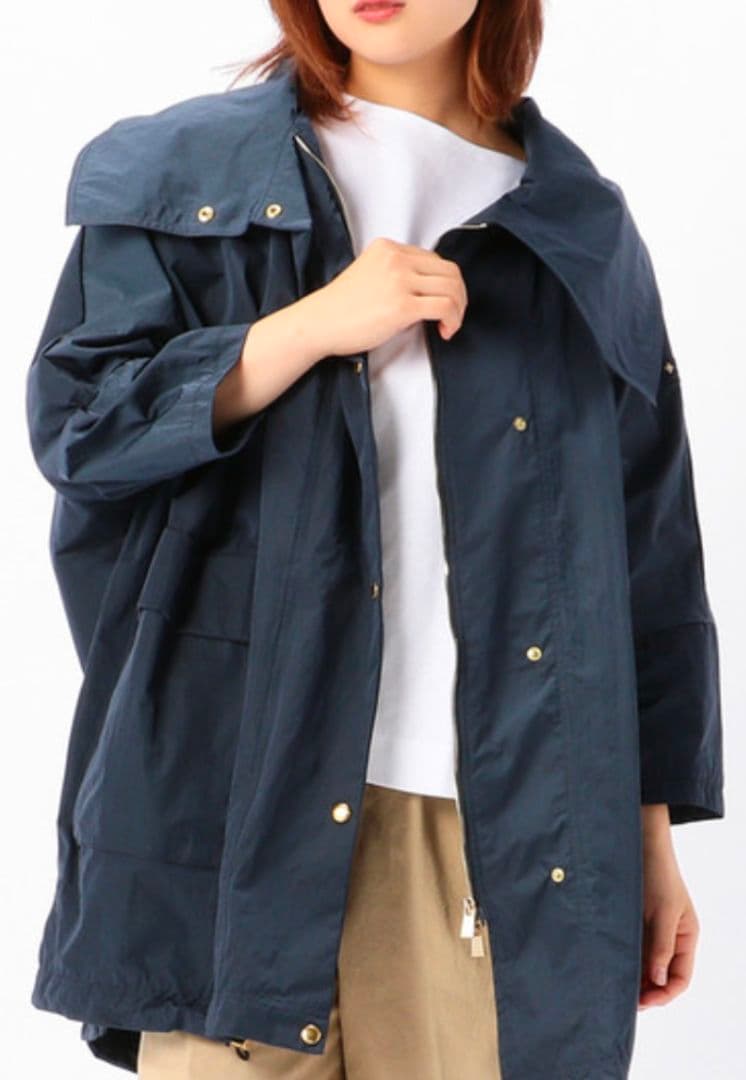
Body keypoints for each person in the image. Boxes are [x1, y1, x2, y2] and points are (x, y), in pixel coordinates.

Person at [26, 2, 725, 1077]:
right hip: (232, 810)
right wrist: (304, 330)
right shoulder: (185, 170)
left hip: (493, 826)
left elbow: (645, 556)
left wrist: (645, 835)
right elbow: (81, 429)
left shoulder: (577, 226)